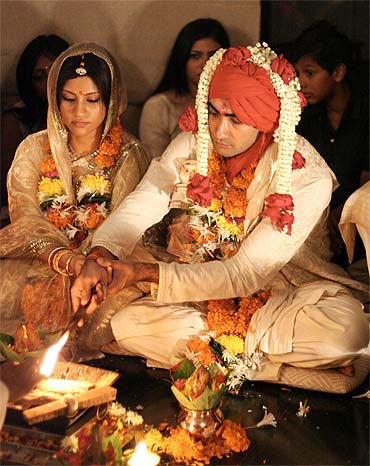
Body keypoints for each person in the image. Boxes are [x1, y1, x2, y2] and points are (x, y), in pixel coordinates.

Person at [71, 44, 368, 389]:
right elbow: (146, 199)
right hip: (204, 295)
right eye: (213, 113)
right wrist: (100, 255)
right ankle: (261, 364)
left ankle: (218, 358)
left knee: (347, 332)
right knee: (130, 323)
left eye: (236, 119)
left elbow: (247, 272)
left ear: (264, 119)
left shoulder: (305, 175)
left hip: (285, 294)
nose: (219, 131)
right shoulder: (195, 145)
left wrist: (141, 272)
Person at [0, 43, 150, 341]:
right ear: (55, 99)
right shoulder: (32, 149)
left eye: (92, 100)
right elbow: (26, 223)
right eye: (69, 98)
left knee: (122, 315)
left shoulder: (128, 154)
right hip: (40, 259)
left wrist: (89, 264)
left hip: (102, 267)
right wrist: (68, 261)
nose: (79, 112)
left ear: (111, 101)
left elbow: (124, 228)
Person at [289, 21, 369, 266]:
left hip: (358, 224)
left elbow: (367, 186)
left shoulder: (364, 113)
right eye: (298, 73)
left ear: (338, 73)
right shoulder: (304, 116)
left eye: (310, 73)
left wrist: (341, 215)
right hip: (314, 223)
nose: (301, 82)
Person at [1, 35, 70, 226]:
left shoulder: (86, 116)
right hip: (26, 213)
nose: (49, 83)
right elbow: (8, 185)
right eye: (40, 77)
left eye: (55, 72)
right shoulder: (16, 119)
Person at [139, 18, 230, 159]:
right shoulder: (159, 107)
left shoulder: (233, 104)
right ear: (182, 60)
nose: (205, 64)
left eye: (213, 55)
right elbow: (156, 166)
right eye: (195, 56)